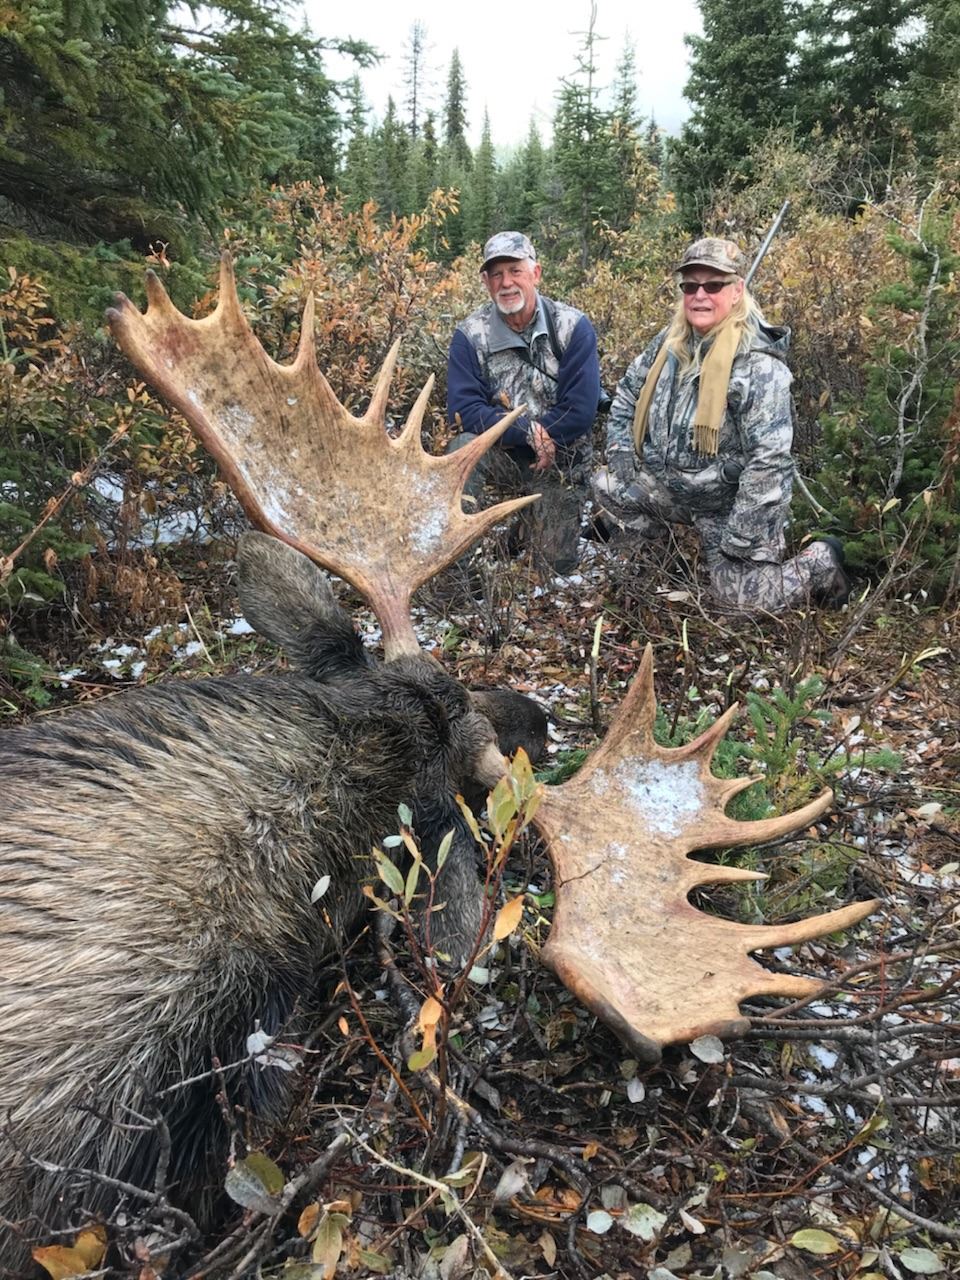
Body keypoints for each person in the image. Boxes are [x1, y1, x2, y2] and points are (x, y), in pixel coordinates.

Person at [594, 237, 851, 612]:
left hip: (728, 508)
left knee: (737, 605)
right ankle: (664, 565)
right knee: (607, 484)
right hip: (674, 491)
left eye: (713, 285)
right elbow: (629, 393)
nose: (700, 295)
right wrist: (620, 448)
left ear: (737, 290)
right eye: (690, 286)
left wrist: (740, 540)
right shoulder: (669, 343)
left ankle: (820, 562)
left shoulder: (758, 366)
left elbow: (770, 463)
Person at [447, 231, 601, 575]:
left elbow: (580, 410)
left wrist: (545, 435)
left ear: (536, 273)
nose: (506, 283)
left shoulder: (573, 327)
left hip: (560, 459)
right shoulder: (469, 336)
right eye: (496, 275)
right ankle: (456, 576)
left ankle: (525, 527)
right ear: (485, 282)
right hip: (502, 455)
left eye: (515, 271)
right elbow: (462, 411)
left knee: (554, 570)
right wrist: (526, 431)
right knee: (461, 448)